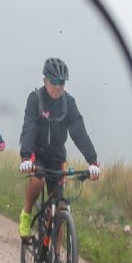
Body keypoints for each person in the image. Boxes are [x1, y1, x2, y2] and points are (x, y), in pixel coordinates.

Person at [17, 57, 101, 238]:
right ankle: (26, 213)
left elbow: (78, 131)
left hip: (56, 157)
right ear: (45, 80)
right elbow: (30, 126)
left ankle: (58, 262)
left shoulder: (68, 103)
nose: (57, 86)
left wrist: (92, 160)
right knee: (37, 181)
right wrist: (25, 157)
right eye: (53, 81)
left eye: (61, 82)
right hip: (35, 154)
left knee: (60, 208)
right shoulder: (35, 99)